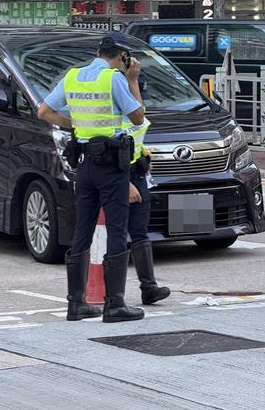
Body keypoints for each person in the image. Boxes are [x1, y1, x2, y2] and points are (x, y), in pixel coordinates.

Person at [37, 32, 146, 323]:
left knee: (82, 230)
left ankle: (76, 304)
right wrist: (133, 81)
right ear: (123, 57)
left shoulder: (72, 76)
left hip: (84, 165)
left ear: (98, 52)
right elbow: (138, 117)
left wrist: (76, 125)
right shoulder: (114, 79)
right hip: (111, 166)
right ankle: (115, 304)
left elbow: (44, 111)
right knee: (116, 229)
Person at [125, 79, 170, 305]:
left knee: (140, 233)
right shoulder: (112, 114)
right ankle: (112, 294)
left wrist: (143, 153)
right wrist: (124, 183)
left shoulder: (130, 112)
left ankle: (149, 288)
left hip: (137, 173)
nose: (140, 102)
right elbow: (110, 149)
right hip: (121, 177)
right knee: (117, 236)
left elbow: (136, 131)